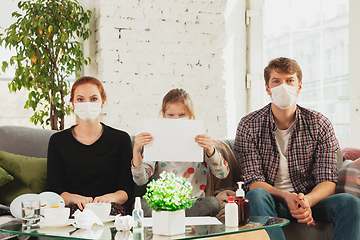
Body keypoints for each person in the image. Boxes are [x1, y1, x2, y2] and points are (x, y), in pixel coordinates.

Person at [234, 57, 360, 240]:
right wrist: (286, 197)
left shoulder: (319, 124)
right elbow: (253, 180)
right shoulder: (249, 125)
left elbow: (328, 180)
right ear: (267, 88)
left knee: (351, 203)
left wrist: (306, 202)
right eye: (276, 81)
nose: (283, 86)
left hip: (311, 201)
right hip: (271, 202)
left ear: (299, 86)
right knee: (256, 195)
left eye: (289, 80)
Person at [131, 88, 229, 217]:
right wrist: (137, 151)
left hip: (192, 202)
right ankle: (173, 215)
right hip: (161, 202)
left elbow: (222, 173)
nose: (176, 120)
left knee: (213, 203)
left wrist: (210, 150)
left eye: (182, 115)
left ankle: (172, 216)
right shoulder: (155, 141)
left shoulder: (199, 141)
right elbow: (140, 180)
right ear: (163, 115)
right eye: (170, 115)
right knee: (141, 206)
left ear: (191, 116)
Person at [47, 76, 134, 215]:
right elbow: (54, 188)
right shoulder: (58, 141)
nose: (87, 104)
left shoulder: (121, 139)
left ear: (102, 102)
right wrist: (75, 199)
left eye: (93, 99)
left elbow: (127, 189)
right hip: (74, 209)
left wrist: (109, 198)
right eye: (80, 99)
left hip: (110, 209)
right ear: (73, 104)